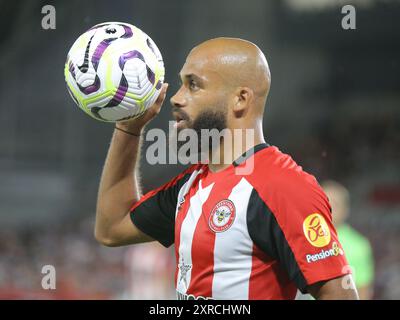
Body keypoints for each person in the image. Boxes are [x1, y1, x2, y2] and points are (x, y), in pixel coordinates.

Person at [94, 37, 359, 300]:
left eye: (193, 85)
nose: (175, 98)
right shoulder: (193, 183)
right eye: (181, 83)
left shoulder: (283, 187)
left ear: (240, 99)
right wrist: (128, 128)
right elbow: (112, 228)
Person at [321, 180, 374, 300]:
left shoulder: (359, 245)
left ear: (345, 210)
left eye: (335, 204)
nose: (328, 208)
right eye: (323, 202)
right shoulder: (301, 238)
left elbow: (363, 290)